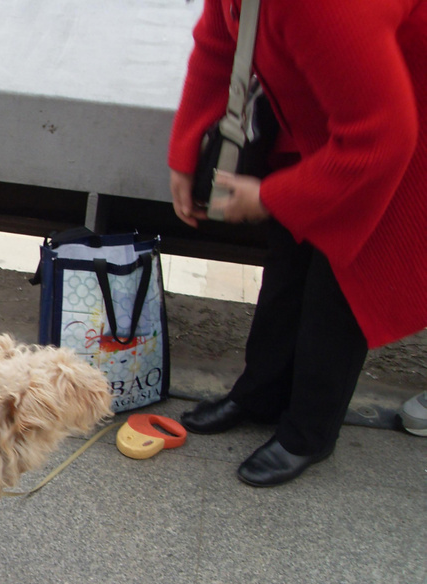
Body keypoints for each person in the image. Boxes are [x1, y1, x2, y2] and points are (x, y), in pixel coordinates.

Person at [167, 0, 427, 486]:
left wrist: (269, 195)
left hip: (402, 129)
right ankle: (261, 393)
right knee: (287, 263)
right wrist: (184, 151)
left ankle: (309, 432)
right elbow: (219, 41)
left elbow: (384, 138)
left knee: (341, 285)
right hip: (322, 123)